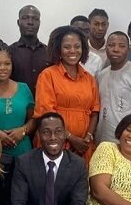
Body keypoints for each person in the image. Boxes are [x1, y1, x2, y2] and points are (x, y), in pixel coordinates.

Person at [34, 25, 100, 163]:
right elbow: (46, 113)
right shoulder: (48, 75)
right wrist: (70, 137)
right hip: (55, 142)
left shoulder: (89, 78)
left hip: (83, 146)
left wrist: (87, 138)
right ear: (58, 49)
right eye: (67, 47)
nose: (73, 51)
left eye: (77, 46)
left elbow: (95, 111)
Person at [9, 5, 47, 95]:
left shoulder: (49, 52)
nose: (30, 22)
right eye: (25, 18)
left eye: (35, 18)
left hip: (44, 106)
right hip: (18, 106)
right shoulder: (9, 52)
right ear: (18, 22)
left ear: (39, 22)